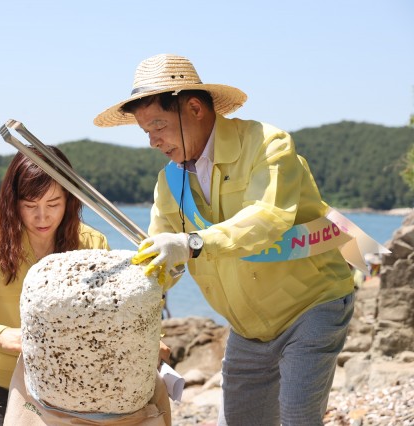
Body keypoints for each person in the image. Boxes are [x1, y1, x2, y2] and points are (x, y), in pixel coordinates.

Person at [94, 54, 355, 425]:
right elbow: (159, 261)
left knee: (298, 417)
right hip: (248, 327)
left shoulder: (268, 145)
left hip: (311, 305)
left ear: (195, 108)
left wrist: (192, 244)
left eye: (158, 126)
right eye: (146, 132)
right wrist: (123, 297)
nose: (153, 141)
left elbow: (267, 218)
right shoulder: (169, 183)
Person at [0, 146, 110, 425]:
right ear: (13, 202)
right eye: (30, 206)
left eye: (53, 204)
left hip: (66, 381)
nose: (42, 217)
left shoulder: (92, 244)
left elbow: (113, 310)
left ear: (69, 200)